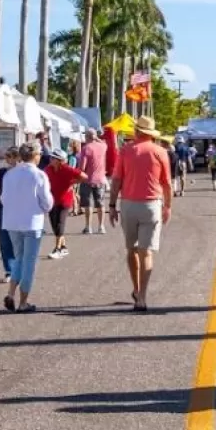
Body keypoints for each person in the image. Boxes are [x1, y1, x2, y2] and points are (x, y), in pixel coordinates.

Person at [113, 116, 174, 311]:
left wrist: (112, 204)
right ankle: (142, 297)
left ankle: (136, 287)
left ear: (137, 132)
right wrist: (168, 206)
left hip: (129, 204)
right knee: (146, 251)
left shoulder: (125, 150)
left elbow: (116, 180)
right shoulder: (160, 152)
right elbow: (167, 183)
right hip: (151, 205)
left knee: (131, 250)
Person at [0, 142, 52, 312]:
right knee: (29, 262)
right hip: (32, 222)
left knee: (18, 258)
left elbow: (3, 199)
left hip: (12, 222)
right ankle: (23, 301)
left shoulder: (9, 174)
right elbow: (47, 201)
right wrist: (43, 209)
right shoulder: (39, 175)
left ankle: (11, 293)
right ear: (35, 156)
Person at [43, 148, 85, 260]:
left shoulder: (67, 169)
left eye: (53, 158)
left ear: (59, 160)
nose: (50, 159)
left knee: (59, 224)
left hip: (65, 201)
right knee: (54, 224)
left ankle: (57, 249)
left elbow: (84, 176)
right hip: (52, 201)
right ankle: (64, 247)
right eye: (51, 157)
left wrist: (73, 182)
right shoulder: (48, 169)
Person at [0, 147, 21, 286]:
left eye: (13, 156)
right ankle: (9, 271)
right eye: (8, 156)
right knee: (5, 241)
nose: (9, 159)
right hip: (3, 209)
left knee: (19, 240)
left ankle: (19, 269)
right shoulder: (2, 173)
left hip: (20, 210)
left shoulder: (24, 172)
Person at [77, 130, 110, 235]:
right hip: (100, 179)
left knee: (88, 204)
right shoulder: (103, 146)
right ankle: (101, 227)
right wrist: (96, 138)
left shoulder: (86, 148)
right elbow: (103, 143)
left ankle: (88, 227)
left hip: (87, 179)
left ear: (87, 137)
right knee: (100, 204)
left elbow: (82, 167)